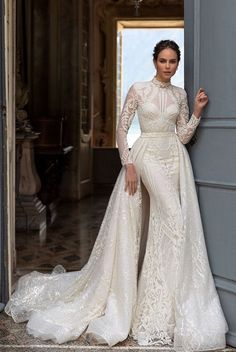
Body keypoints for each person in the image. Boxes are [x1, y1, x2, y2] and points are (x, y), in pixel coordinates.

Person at [5, 40, 228, 351]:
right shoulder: (138, 89)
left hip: (174, 158)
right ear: (154, 62)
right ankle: (155, 305)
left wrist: (197, 113)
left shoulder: (180, 94)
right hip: (147, 155)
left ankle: (164, 305)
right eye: (163, 60)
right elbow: (123, 129)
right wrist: (130, 164)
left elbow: (183, 136)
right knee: (175, 222)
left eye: (173, 61)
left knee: (170, 225)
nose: (168, 66)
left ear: (177, 64)